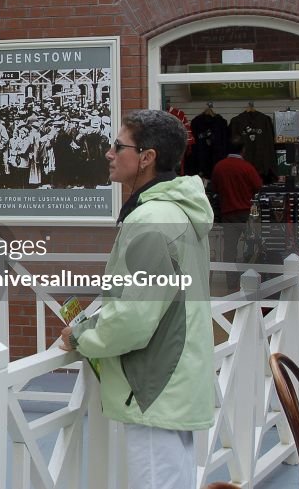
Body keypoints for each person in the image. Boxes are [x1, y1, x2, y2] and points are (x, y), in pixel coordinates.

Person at [60, 110, 214, 489]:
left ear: (147, 157)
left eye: (117, 146)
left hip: (153, 387)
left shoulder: (151, 220)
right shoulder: (177, 211)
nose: (109, 154)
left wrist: (79, 336)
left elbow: (133, 316)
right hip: (172, 380)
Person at [209, 136, 262, 290]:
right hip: (247, 214)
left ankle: (231, 281)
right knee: (253, 245)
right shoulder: (247, 167)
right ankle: (250, 278)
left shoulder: (219, 167)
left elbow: (214, 189)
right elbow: (258, 187)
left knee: (229, 249)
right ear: (243, 150)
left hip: (228, 214)